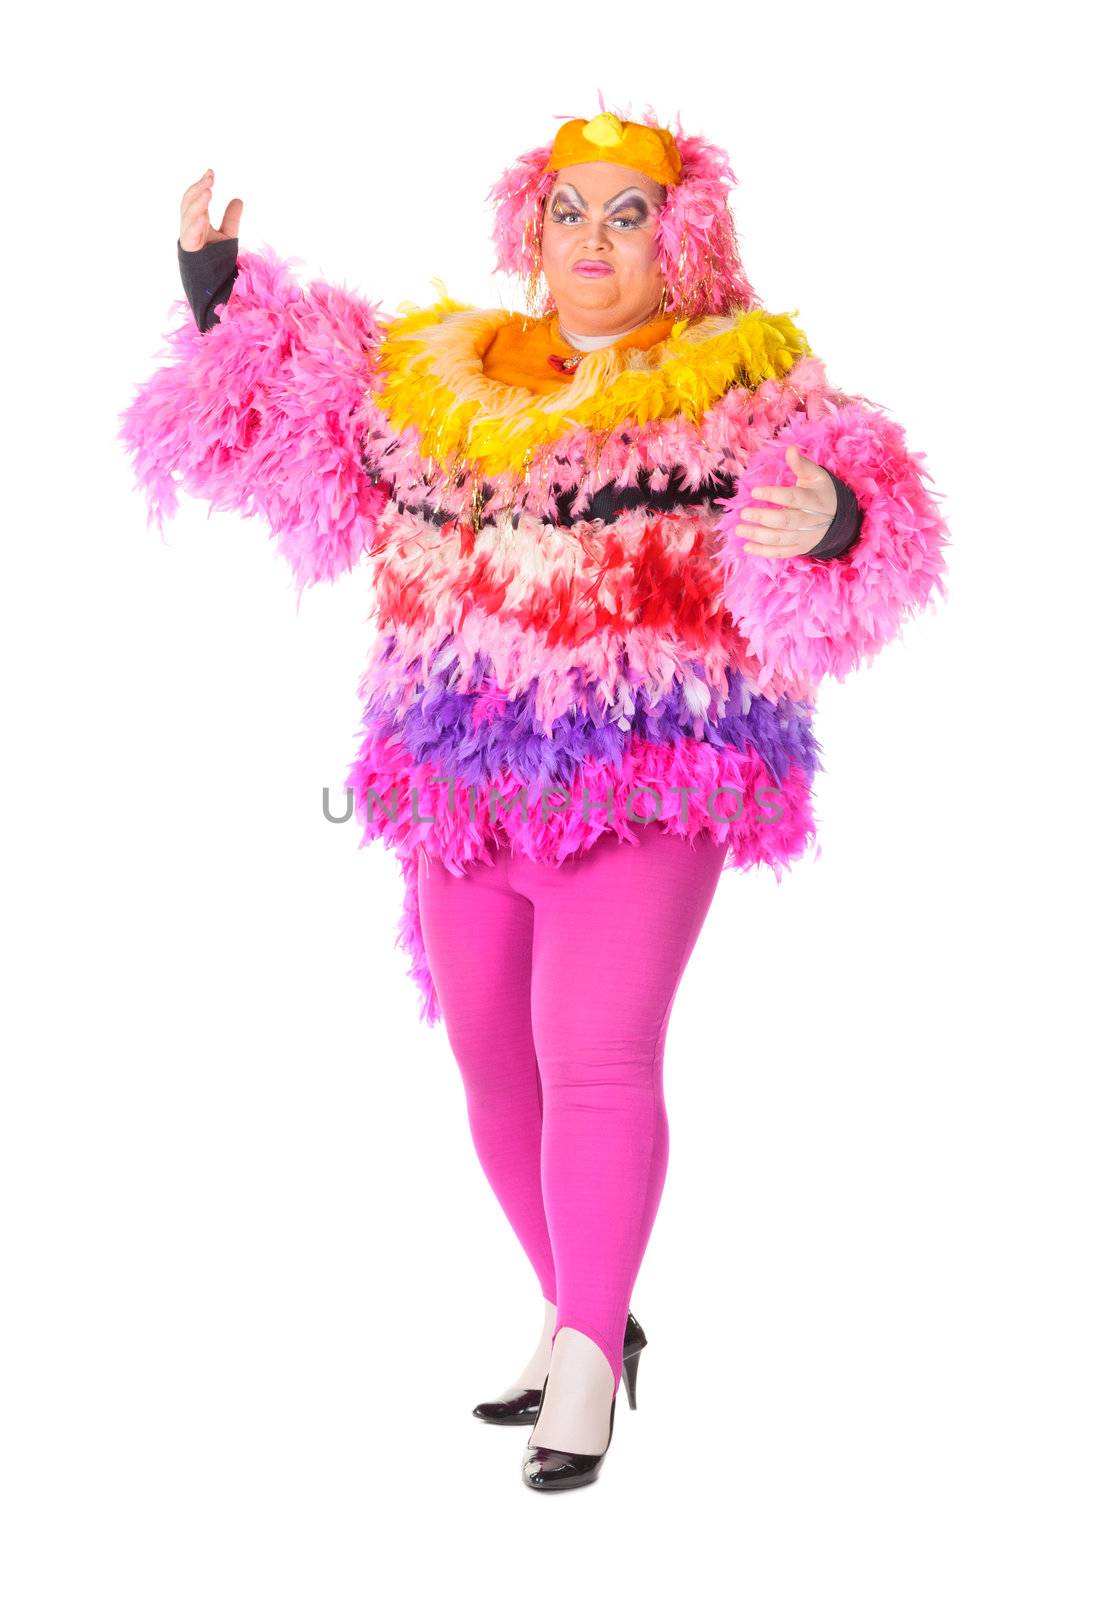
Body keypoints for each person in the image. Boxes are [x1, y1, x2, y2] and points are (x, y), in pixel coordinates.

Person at [119, 107, 949, 1492]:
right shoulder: (454, 380)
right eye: (568, 213)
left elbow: (865, 501)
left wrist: (835, 523)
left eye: (626, 217)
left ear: (678, 238)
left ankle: (581, 1364)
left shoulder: (741, 384)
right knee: (490, 1058)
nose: (590, 244)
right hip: (456, 779)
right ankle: (589, 1312)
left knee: (594, 1051)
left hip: (648, 777)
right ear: (531, 228)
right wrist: (218, 292)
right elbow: (302, 421)